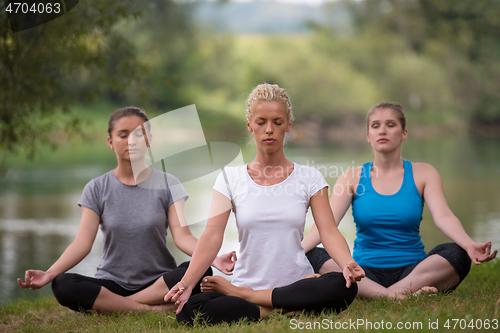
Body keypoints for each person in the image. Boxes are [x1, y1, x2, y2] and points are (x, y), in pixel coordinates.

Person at [164, 84, 365, 325]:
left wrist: (347, 263)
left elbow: (329, 231)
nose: (269, 130)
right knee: (190, 309)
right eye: (261, 122)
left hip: (296, 284)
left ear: (288, 125)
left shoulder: (310, 178)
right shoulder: (230, 178)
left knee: (344, 286)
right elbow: (212, 235)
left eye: (277, 122)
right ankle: (279, 308)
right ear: (250, 125)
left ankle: (259, 301)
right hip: (246, 283)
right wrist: (186, 283)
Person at [17, 107, 237, 313]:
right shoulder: (96, 188)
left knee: (200, 272)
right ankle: (150, 308)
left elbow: (183, 237)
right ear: (110, 141)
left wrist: (214, 258)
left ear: (149, 140)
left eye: (139, 134)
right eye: (123, 134)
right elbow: (82, 243)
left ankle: (116, 306)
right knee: (63, 284)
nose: (131, 140)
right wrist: (49, 273)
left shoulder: (169, 183)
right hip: (113, 283)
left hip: (159, 281)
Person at [302, 102, 498, 300]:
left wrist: (469, 244)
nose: (383, 131)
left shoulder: (424, 173)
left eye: (390, 124)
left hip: (414, 272)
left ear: (404, 132)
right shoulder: (352, 177)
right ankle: (401, 296)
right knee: (314, 255)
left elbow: (443, 216)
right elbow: (326, 225)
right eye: (376, 126)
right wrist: (298, 249)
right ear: (368, 136)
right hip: (363, 273)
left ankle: (376, 295)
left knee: (457, 252)